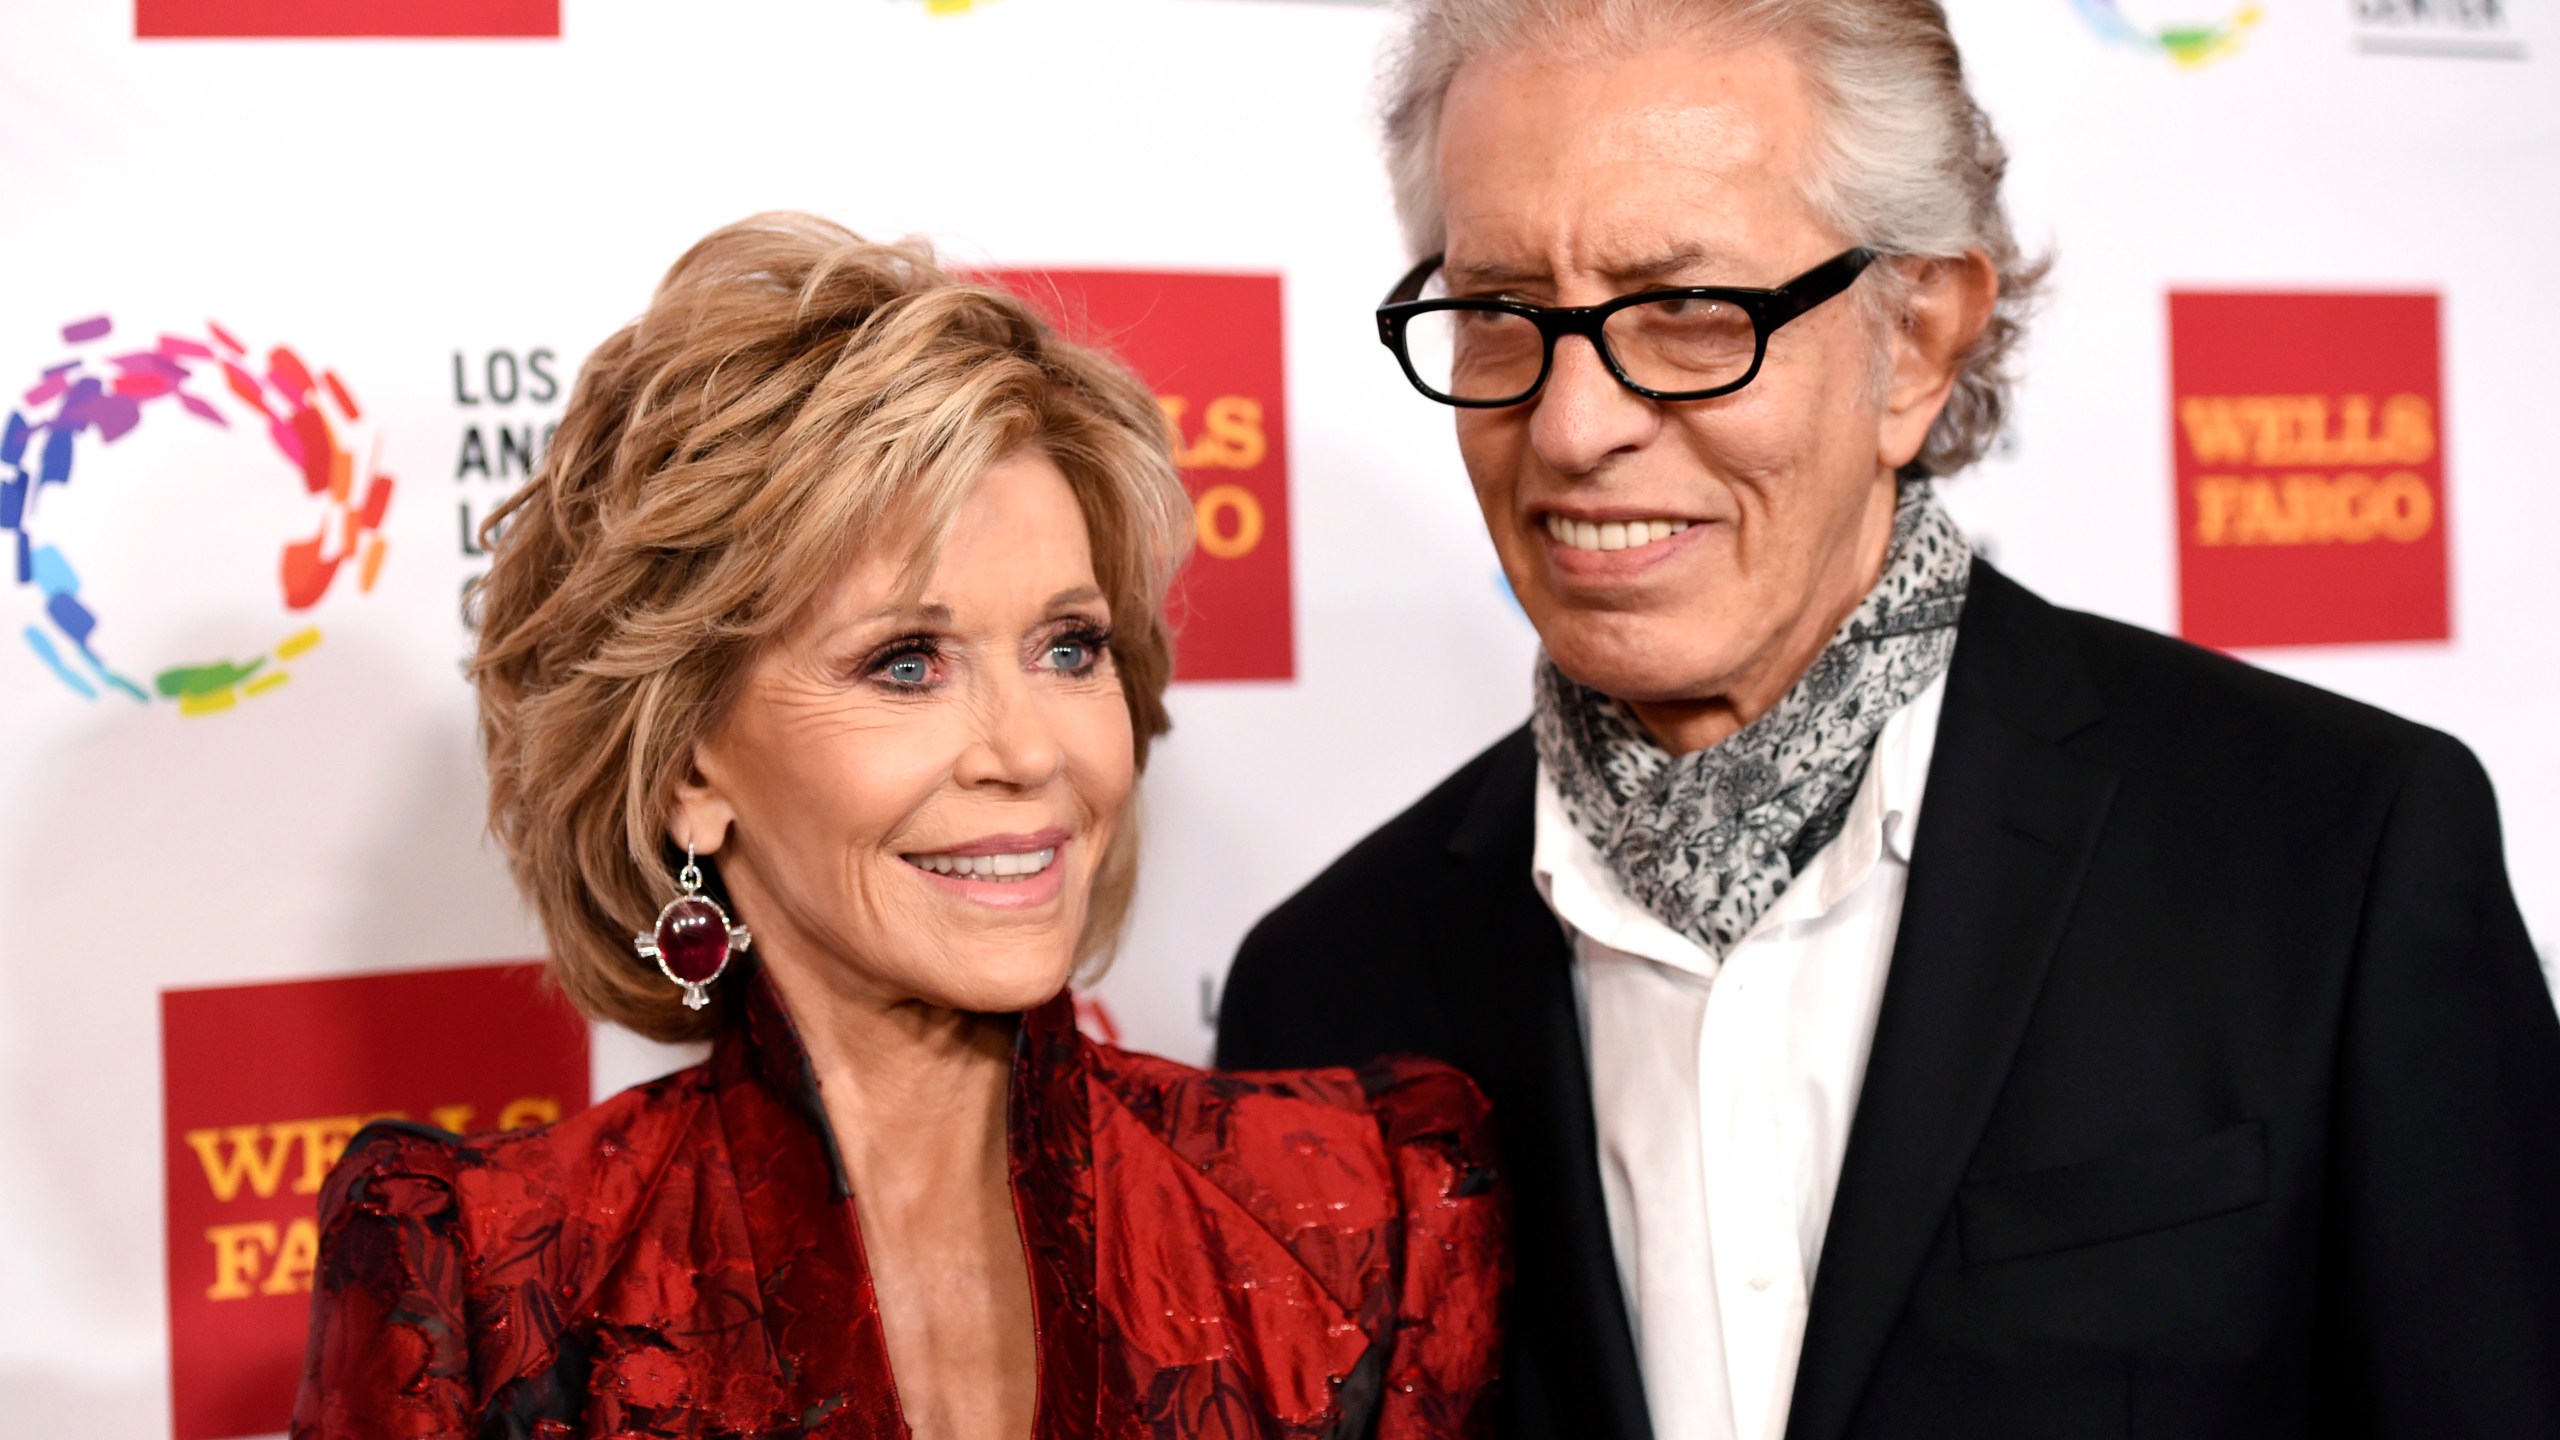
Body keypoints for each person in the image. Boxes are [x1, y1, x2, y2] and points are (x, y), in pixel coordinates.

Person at [1217, 4, 2560, 1439]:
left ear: (1913, 342)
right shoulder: (1324, 994)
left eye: (1686, 310)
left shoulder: (2329, 859)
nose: (1569, 425)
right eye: (1498, 315)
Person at [291, 213, 1503, 1440]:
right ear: (685, 770)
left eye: (1068, 648)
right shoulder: (490, 1283)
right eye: (907, 665)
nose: (1031, 751)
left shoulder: (1358, 1214)